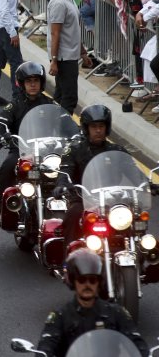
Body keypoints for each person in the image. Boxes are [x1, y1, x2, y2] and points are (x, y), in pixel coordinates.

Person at [36, 248, 148, 357]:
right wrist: (44, 353)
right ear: (73, 282)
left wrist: (144, 353)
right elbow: (46, 344)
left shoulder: (116, 313)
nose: (87, 284)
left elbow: (136, 341)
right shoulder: (60, 316)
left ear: (99, 283)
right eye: (82, 280)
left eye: (92, 280)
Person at [55, 105, 128, 249]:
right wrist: (62, 184)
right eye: (94, 127)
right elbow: (65, 170)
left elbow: (134, 172)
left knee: (134, 218)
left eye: (101, 126)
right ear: (86, 128)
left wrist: (149, 185)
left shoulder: (117, 151)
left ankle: (137, 252)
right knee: (73, 215)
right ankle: (68, 259)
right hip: (83, 199)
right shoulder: (75, 149)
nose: (98, 130)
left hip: (112, 199)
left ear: (107, 128)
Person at [0, 62, 55, 206]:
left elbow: (64, 123)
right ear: (22, 84)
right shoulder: (14, 105)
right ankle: (4, 205)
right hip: (21, 151)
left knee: (67, 172)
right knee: (7, 167)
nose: (33, 85)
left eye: (36, 81)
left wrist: (77, 135)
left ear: (41, 82)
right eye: (29, 81)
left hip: (47, 152)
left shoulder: (50, 105)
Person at [48, 0, 89, 114]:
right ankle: (63, 130)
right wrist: (54, 60)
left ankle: (54, 126)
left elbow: (72, 30)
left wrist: (83, 52)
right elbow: (55, 33)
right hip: (63, 57)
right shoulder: (59, 2)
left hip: (70, 54)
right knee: (69, 97)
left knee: (60, 95)